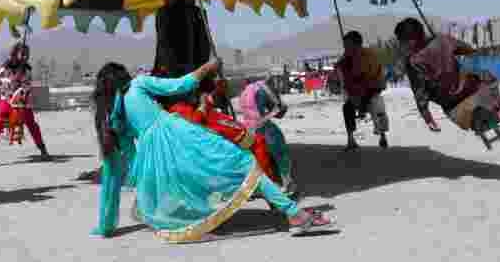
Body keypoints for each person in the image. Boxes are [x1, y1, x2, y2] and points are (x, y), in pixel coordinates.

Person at [90, 60, 335, 241]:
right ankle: (294, 213)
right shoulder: (139, 84)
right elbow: (181, 84)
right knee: (242, 163)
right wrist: (208, 67)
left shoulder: (114, 113)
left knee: (196, 183)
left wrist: (106, 225)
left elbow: (119, 165)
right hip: (178, 135)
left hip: (154, 153)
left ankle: (287, 212)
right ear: (123, 76)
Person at [393, 18, 500, 133]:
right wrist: (447, 46)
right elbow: (468, 49)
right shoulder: (442, 40)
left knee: (431, 89)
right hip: (469, 88)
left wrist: (429, 120)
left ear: (411, 41)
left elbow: (420, 94)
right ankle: (499, 112)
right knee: (487, 76)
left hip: (450, 106)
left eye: (401, 42)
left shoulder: (413, 62)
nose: (400, 45)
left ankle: (479, 117)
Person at [0, 41, 49, 165]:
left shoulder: (27, 69)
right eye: (22, 54)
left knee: (32, 125)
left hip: (23, 102)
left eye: (27, 54)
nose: (25, 57)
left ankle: (43, 149)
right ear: (14, 54)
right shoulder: (4, 68)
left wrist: (20, 87)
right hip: (7, 101)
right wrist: (11, 83)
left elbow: (27, 86)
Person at [238, 78, 299, 197]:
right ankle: (288, 184)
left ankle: (256, 187)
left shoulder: (244, 92)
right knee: (281, 152)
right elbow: (280, 110)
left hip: (248, 130)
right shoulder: (264, 87)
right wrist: (281, 108)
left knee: (255, 160)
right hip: (263, 128)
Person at [153, 0, 211, 80]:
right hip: (171, 78)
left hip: (195, 76)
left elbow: (205, 47)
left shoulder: (200, 14)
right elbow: (165, 48)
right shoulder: (165, 13)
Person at [336, 31, 390, 150]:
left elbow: (367, 75)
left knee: (378, 108)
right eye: (344, 45)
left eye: (347, 45)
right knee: (347, 108)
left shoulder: (370, 55)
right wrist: (343, 63)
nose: (345, 47)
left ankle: (382, 136)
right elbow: (340, 70)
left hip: (371, 90)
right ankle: (351, 139)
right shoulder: (347, 57)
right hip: (355, 93)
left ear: (356, 44)